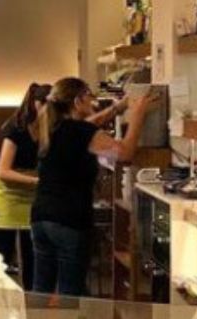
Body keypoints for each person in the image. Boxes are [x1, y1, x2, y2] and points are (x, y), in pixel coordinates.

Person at [30, 77, 159, 297]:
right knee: (71, 294)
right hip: (69, 219)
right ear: (78, 101)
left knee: (41, 289)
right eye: (90, 96)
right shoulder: (81, 132)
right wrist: (138, 115)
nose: (94, 102)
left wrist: (118, 108)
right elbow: (125, 153)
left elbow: (89, 125)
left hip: (41, 217)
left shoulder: (52, 128)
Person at [0, 82, 51, 290]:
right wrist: (37, 181)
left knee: (33, 257)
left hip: (33, 197)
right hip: (8, 196)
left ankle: (30, 302)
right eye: (47, 106)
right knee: (1, 256)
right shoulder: (16, 127)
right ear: (36, 104)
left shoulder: (51, 129)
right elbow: (3, 171)